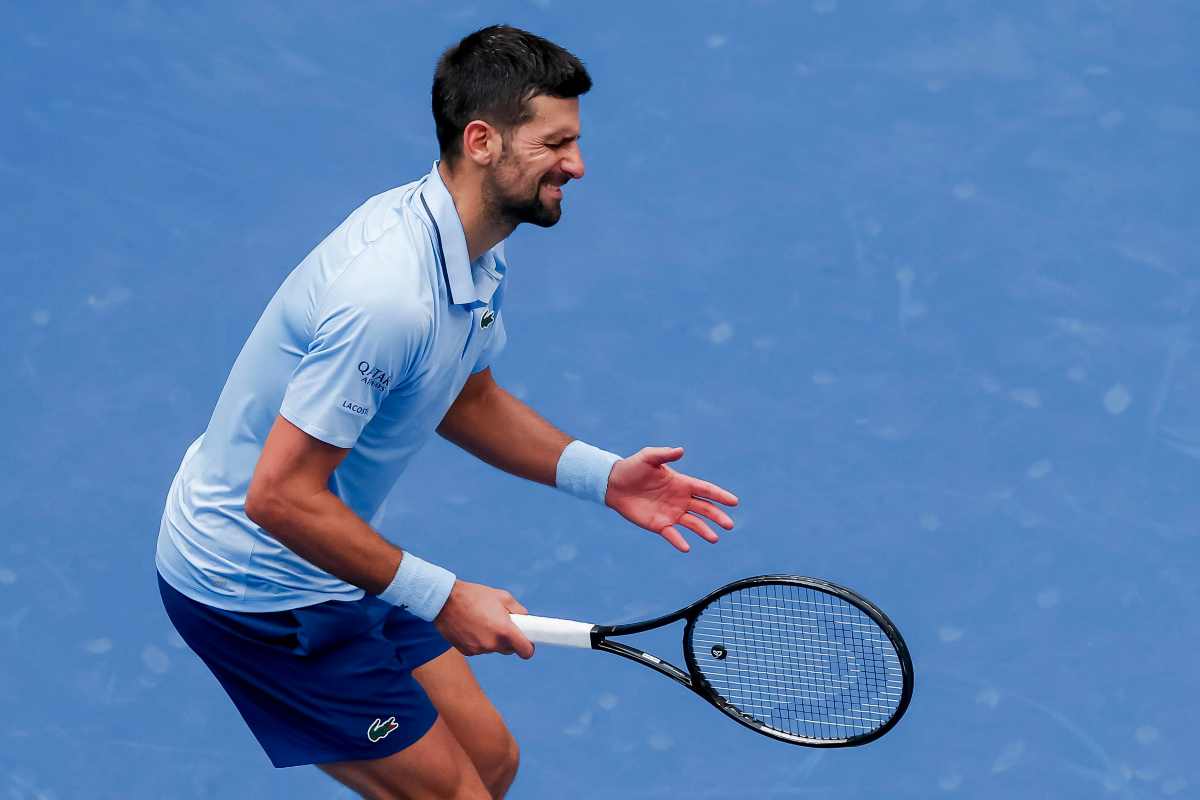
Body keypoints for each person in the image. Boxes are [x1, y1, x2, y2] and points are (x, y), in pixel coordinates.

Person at [155, 24, 738, 800]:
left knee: (490, 764)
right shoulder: (389, 299)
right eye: (556, 143)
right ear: (483, 141)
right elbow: (279, 497)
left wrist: (604, 478)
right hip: (259, 592)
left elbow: (465, 396)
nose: (578, 164)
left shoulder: (466, 246)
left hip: (323, 551)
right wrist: (444, 595)